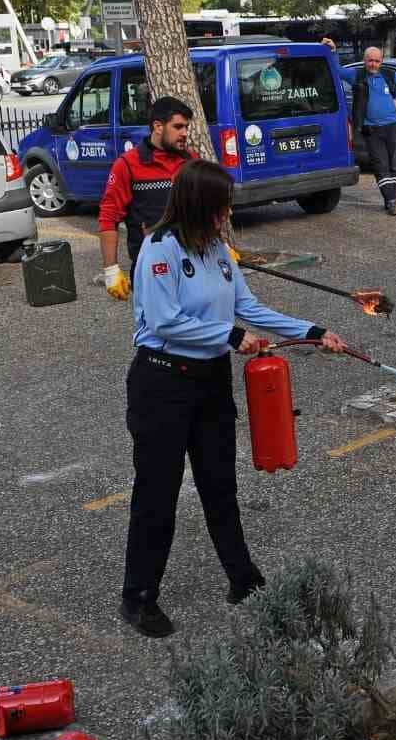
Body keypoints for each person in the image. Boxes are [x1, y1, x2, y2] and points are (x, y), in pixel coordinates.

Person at [120, 160, 347, 637]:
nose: (227, 212)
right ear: (199, 204)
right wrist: (229, 335)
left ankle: (243, 579)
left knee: (220, 485)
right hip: (162, 384)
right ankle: (139, 597)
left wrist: (313, 331)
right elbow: (164, 322)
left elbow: (249, 308)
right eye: (221, 204)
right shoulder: (159, 251)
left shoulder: (219, 251)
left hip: (210, 383)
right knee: (157, 495)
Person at [97, 96, 198, 300]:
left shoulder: (192, 160)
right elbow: (109, 217)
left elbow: (206, 209)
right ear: (158, 126)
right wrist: (111, 269)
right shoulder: (127, 164)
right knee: (158, 329)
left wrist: (221, 247)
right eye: (178, 127)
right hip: (151, 268)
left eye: (186, 127)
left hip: (193, 263)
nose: (185, 133)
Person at [350, 47, 396, 216]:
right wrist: (331, 50)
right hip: (371, 129)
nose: (373, 64)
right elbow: (337, 70)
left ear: (381, 61)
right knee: (380, 165)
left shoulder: (388, 75)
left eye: (377, 61)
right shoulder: (357, 75)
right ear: (364, 60)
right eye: (370, 60)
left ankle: (390, 199)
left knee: (393, 164)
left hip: (393, 126)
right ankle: (392, 202)